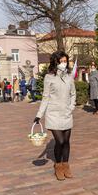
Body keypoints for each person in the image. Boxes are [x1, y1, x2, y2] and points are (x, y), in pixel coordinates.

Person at [34, 51, 76, 181]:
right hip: (53, 114)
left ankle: (66, 166)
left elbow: (73, 94)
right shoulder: (49, 77)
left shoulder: (69, 77)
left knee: (67, 141)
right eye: (61, 61)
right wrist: (39, 115)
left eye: (65, 61)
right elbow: (45, 98)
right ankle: (58, 166)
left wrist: (71, 107)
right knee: (60, 141)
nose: (64, 64)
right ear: (55, 62)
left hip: (66, 113)